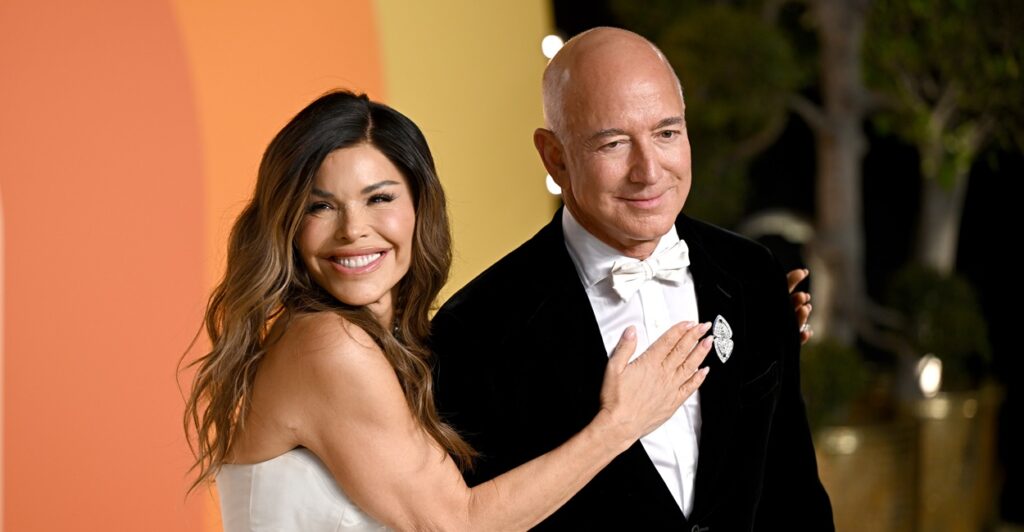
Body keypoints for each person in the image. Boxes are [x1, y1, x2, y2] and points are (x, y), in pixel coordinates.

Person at [182, 90, 716, 531]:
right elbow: (458, 524)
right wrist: (621, 425)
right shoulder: (328, 347)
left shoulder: (379, 346)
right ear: (288, 225)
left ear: (418, 207)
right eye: (320, 206)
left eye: (379, 198)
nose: (353, 230)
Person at [431, 27, 833, 530]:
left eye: (667, 134)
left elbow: (794, 490)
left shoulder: (753, 274)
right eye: (614, 143)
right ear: (554, 157)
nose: (648, 171)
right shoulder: (475, 328)